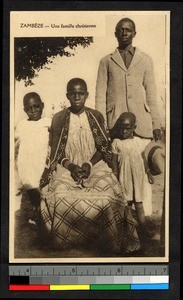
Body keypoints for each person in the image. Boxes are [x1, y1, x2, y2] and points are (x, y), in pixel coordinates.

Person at [39, 78, 141, 256]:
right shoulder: (59, 118)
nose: (77, 96)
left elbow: (102, 148)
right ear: (67, 95)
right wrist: (71, 166)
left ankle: (109, 240)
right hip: (66, 166)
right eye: (73, 93)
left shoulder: (96, 116)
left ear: (86, 95)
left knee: (109, 195)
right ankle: (66, 239)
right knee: (61, 195)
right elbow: (56, 151)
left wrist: (88, 164)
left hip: (95, 165)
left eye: (80, 93)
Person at [95, 17, 161, 141]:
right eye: (120, 30)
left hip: (141, 123)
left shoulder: (145, 60)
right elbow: (100, 97)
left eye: (128, 30)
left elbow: (151, 95)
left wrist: (156, 124)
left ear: (134, 33)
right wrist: (101, 125)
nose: (124, 33)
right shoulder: (106, 61)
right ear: (115, 34)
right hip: (115, 123)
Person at [111, 112, 155, 239]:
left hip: (138, 178)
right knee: (127, 204)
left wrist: (149, 173)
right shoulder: (116, 142)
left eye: (127, 128)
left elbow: (144, 159)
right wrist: (114, 177)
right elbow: (114, 162)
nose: (124, 131)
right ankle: (128, 230)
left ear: (134, 128)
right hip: (124, 178)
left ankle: (143, 227)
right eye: (121, 128)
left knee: (139, 203)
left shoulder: (139, 142)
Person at [15, 92, 51, 224]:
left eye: (36, 106)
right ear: (25, 110)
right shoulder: (21, 124)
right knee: (32, 189)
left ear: (42, 105)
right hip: (27, 164)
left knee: (44, 190)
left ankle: (45, 214)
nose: (33, 110)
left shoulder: (48, 123)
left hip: (42, 162)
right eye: (29, 108)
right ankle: (37, 212)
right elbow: (14, 141)